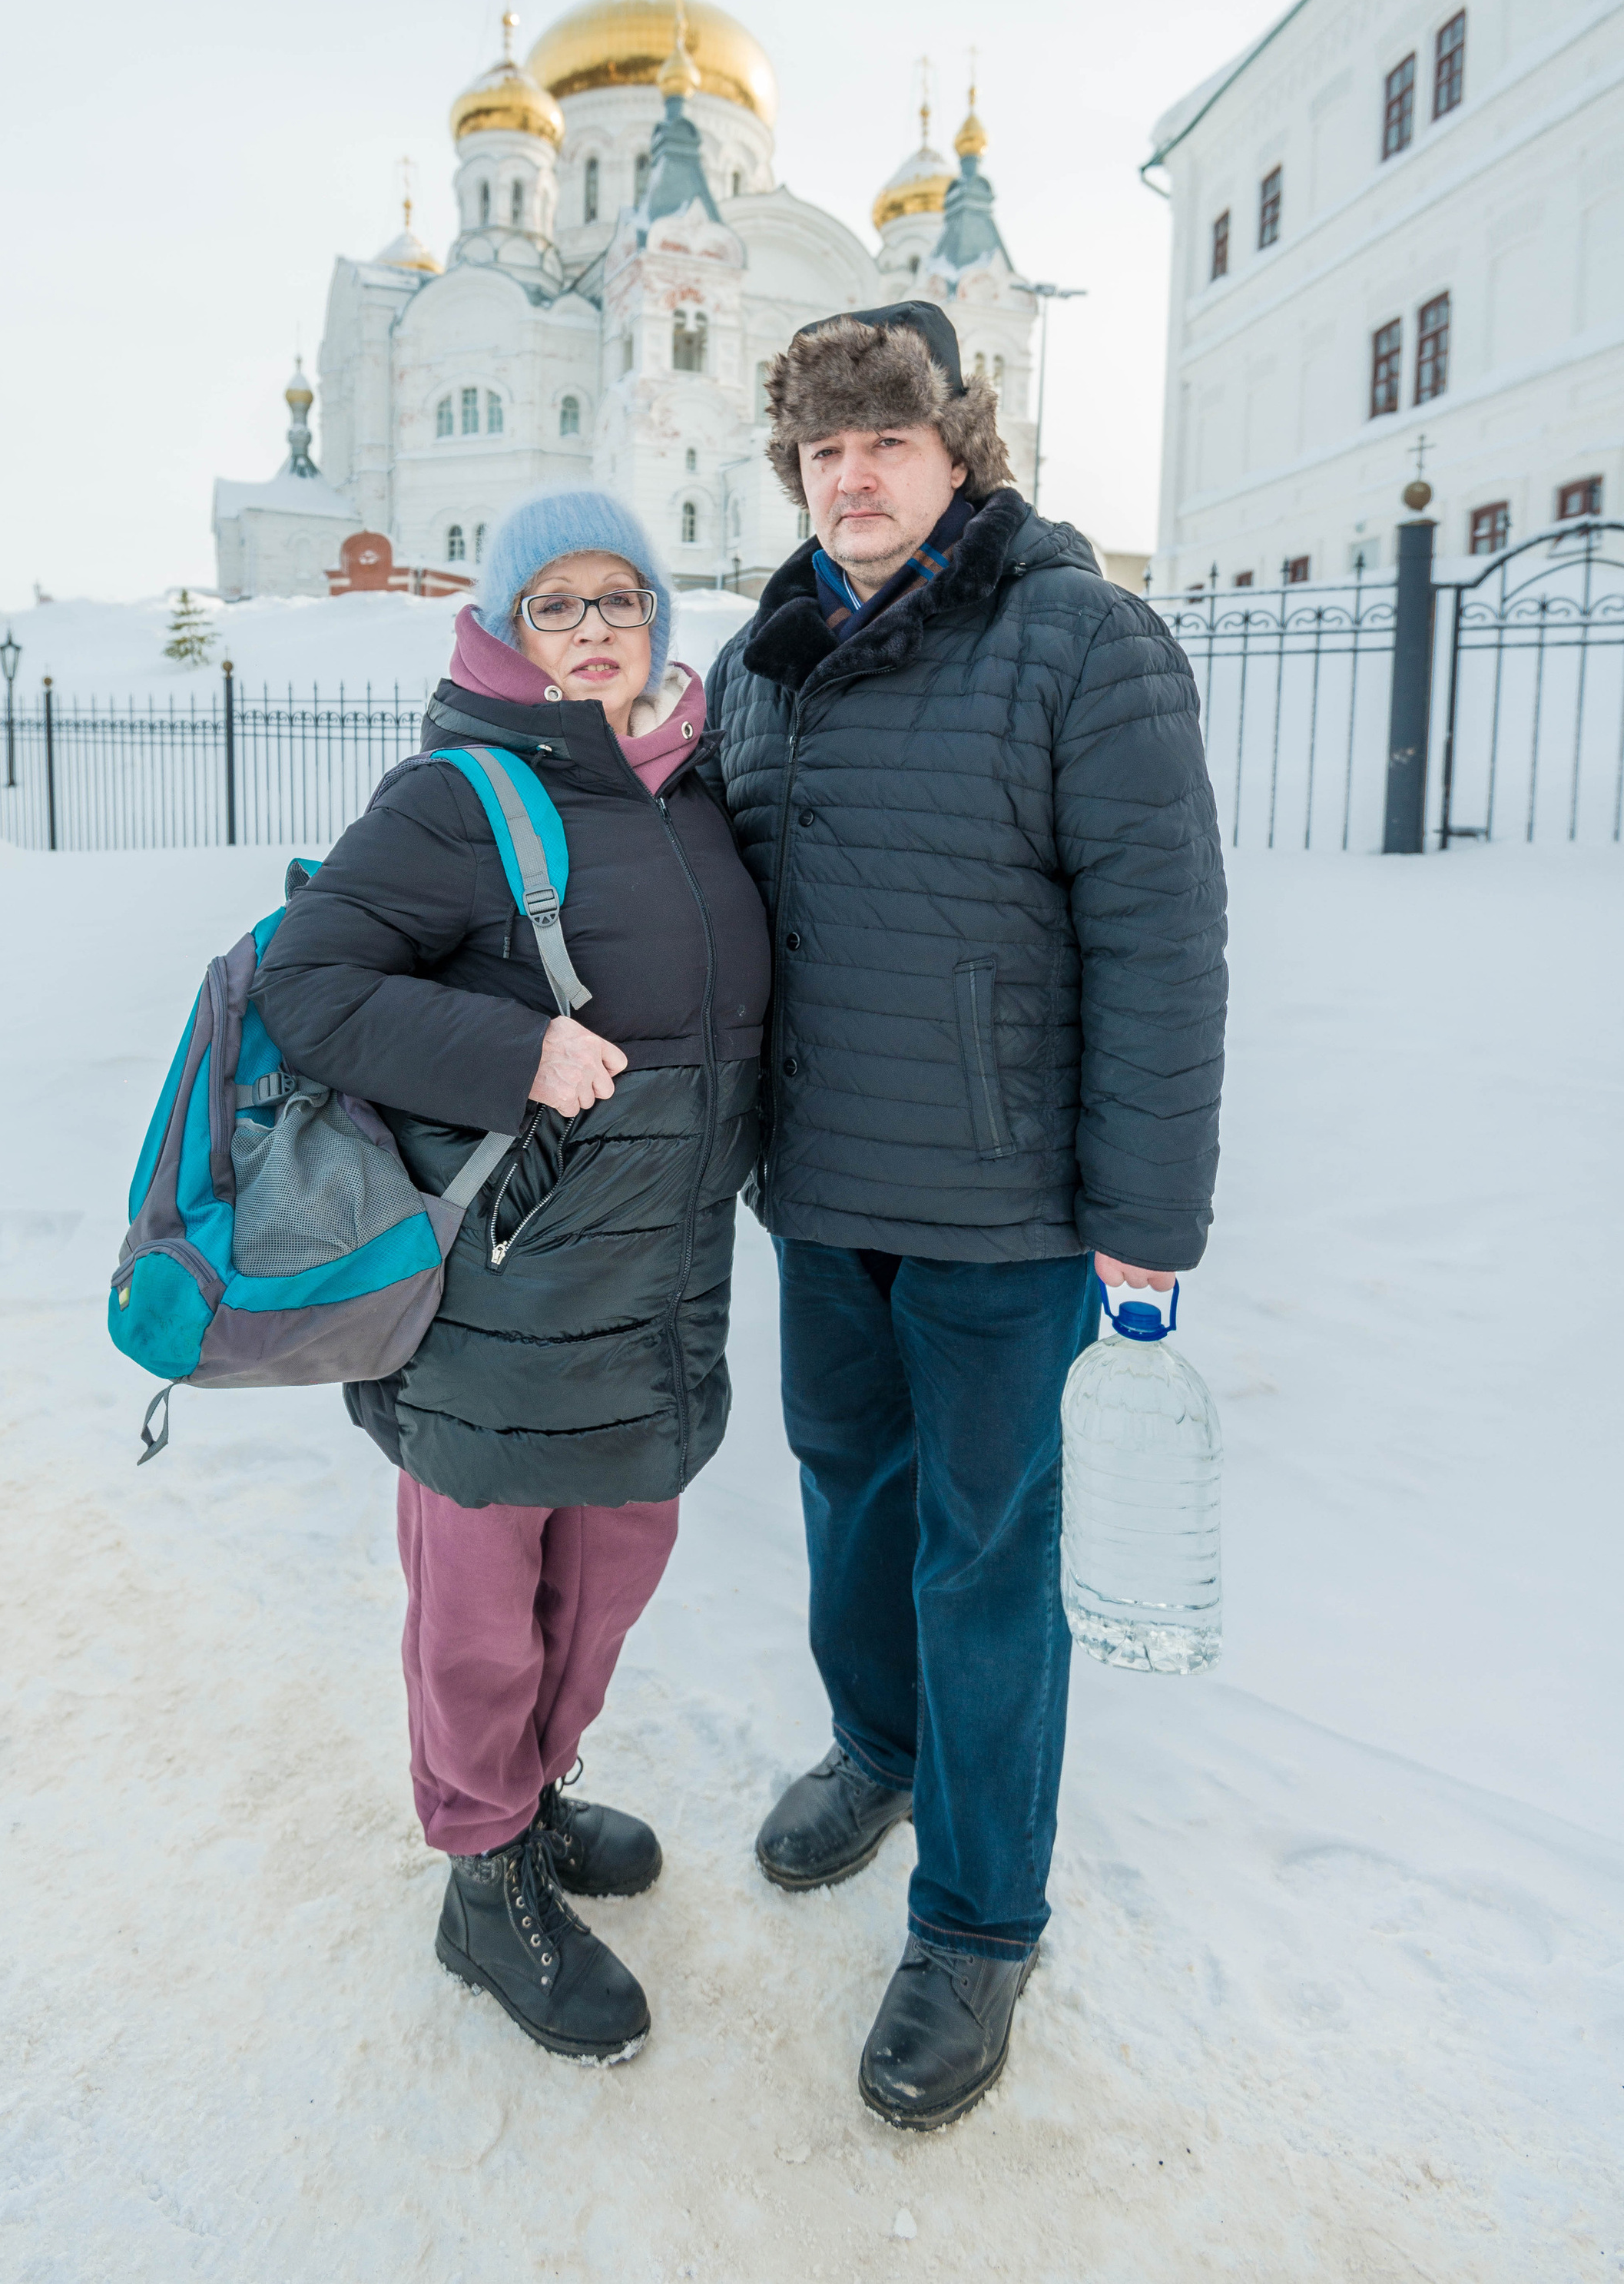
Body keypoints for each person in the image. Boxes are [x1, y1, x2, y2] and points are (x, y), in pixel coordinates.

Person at [705, 302, 1227, 2130]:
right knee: (845, 1491)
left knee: (985, 1554)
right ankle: (877, 1750)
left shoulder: (1079, 642)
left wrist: (1144, 1220)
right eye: (820, 451)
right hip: (821, 1191)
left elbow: (1159, 947)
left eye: (885, 444)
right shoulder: (760, 658)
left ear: (958, 456)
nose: (849, 476)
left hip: (1007, 1217)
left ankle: (980, 1918)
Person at [256, 491, 771, 2065]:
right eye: (557, 603)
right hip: (495, 1295)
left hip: (655, 1289)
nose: (597, 625)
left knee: (604, 1581)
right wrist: (511, 1049)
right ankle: (482, 1875)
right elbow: (306, 983)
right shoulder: (453, 798)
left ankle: (533, 1798)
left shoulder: (687, 793)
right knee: (482, 1608)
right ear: (503, 626)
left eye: (621, 598)